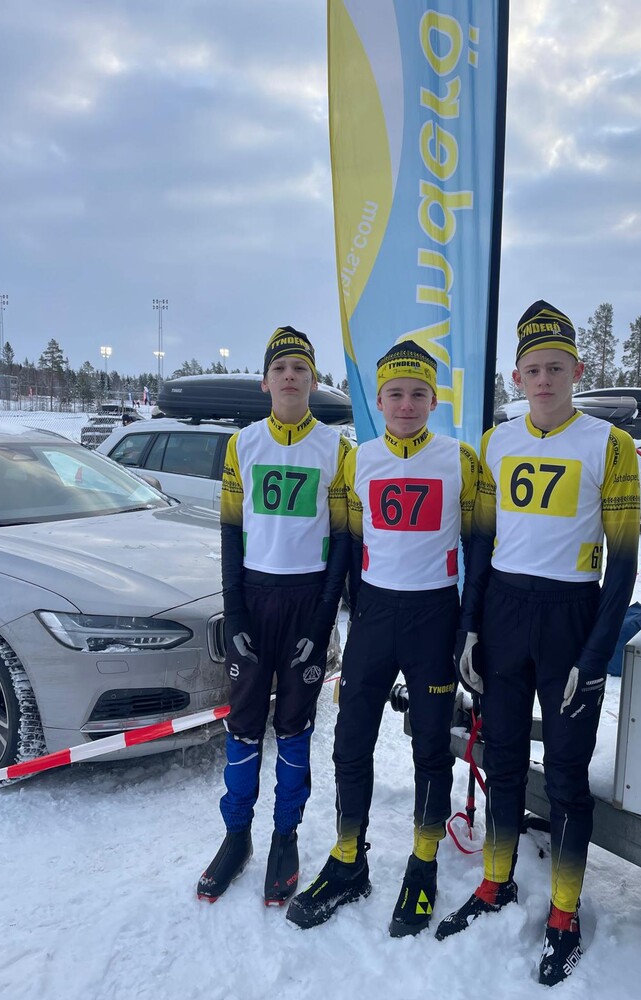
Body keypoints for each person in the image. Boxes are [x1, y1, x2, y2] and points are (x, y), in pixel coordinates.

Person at [435, 301, 641, 986]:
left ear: (577, 371)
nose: (544, 380)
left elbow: (623, 564)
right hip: (503, 613)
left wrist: (594, 654)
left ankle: (564, 913)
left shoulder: (609, 445)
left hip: (570, 617)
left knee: (565, 774)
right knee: (501, 757)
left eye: (556, 368)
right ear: (517, 377)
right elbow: (481, 543)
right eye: (533, 370)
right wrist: (468, 626)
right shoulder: (495, 443)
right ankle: (496, 881)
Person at [286, 341, 478, 937]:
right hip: (373, 616)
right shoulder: (358, 459)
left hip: (433, 618)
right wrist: (344, 614)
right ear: (379, 398)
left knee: (430, 749)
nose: (406, 404)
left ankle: (423, 862)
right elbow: (346, 547)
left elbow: (481, 549)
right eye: (395, 393)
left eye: (418, 393)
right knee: (350, 744)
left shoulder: (460, 459)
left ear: (434, 400)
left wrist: (469, 627)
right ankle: (349, 859)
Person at [197, 326, 351, 906]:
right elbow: (230, 532)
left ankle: (285, 836)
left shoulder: (337, 449)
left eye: (300, 369)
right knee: (242, 725)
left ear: (313, 381)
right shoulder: (243, 444)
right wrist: (235, 613)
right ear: (265, 381)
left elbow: (342, 542)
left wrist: (321, 621)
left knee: (293, 726)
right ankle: (236, 835)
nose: (290, 377)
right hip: (255, 601)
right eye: (280, 368)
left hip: (306, 600)